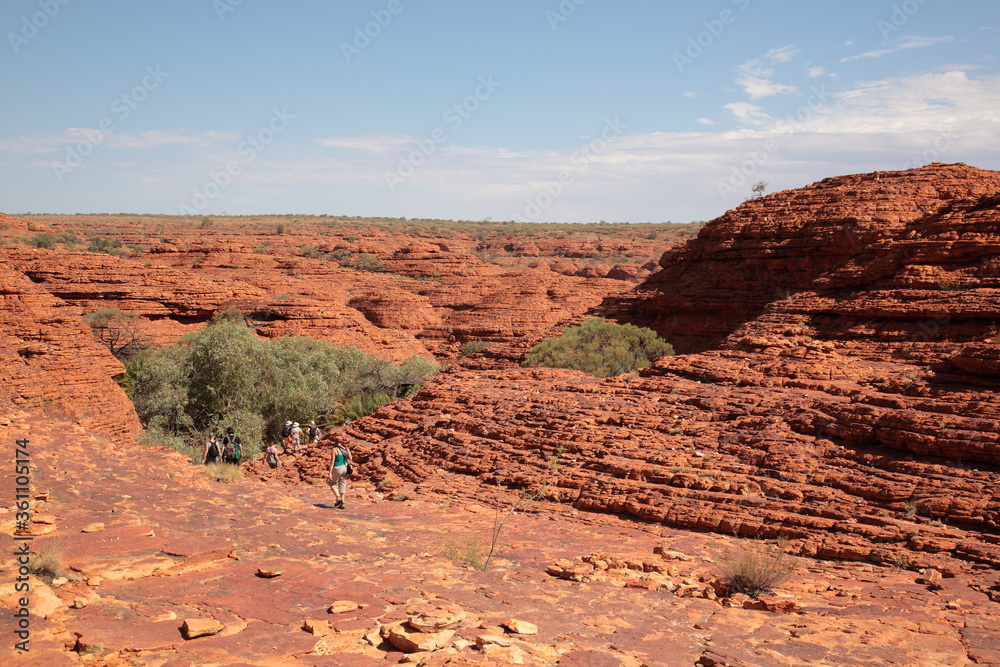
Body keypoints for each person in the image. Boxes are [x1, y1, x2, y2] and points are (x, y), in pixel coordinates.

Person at [328, 432, 355, 509]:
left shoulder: (334, 449)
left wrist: (330, 473)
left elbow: (332, 462)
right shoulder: (344, 448)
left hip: (338, 467)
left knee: (332, 483)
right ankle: (342, 503)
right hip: (345, 468)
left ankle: (338, 497)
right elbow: (351, 458)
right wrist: (348, 449)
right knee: (342, 484)